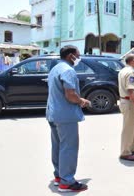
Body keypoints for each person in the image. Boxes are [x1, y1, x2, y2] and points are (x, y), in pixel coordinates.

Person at [46, 45, 91, 192]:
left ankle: (59, 176)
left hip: (54, 113)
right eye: (78, 55)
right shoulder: (68, 70)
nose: (79, 58)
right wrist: (81, 101)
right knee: (69, 148)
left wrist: (78, 98)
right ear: (71, 56)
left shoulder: (56, 68)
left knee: (58, 146)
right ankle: (67, 182)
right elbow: (70, 95)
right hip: (65, 115)